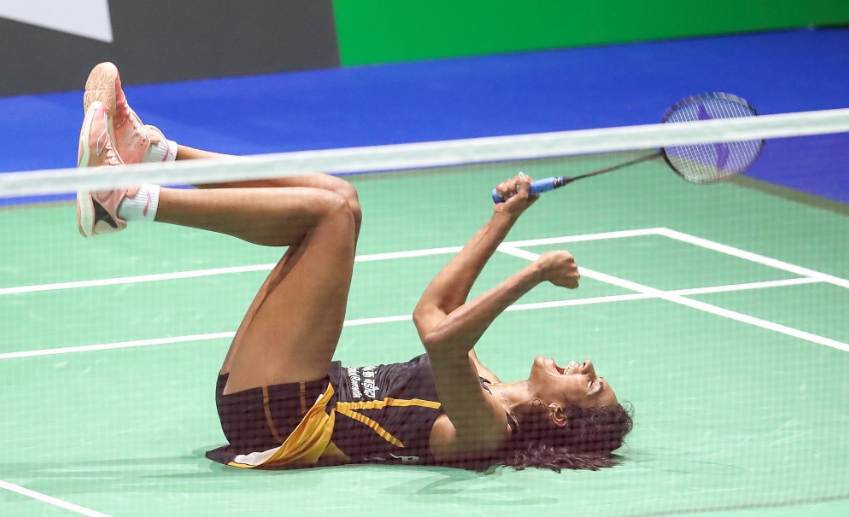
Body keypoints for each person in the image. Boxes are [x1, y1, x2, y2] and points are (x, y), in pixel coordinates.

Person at [77, 63, 632, 472]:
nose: (585, 366)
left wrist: (532, 275)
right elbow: (433, 310)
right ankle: (153, 154)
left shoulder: (487, 430)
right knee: (338, 196)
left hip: (285, 419)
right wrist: (502, 221)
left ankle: (124, 199)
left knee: (333, 214)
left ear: (560, 416)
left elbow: (439, 338)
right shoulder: (487, 385)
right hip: (287, 393)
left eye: (592, 383)